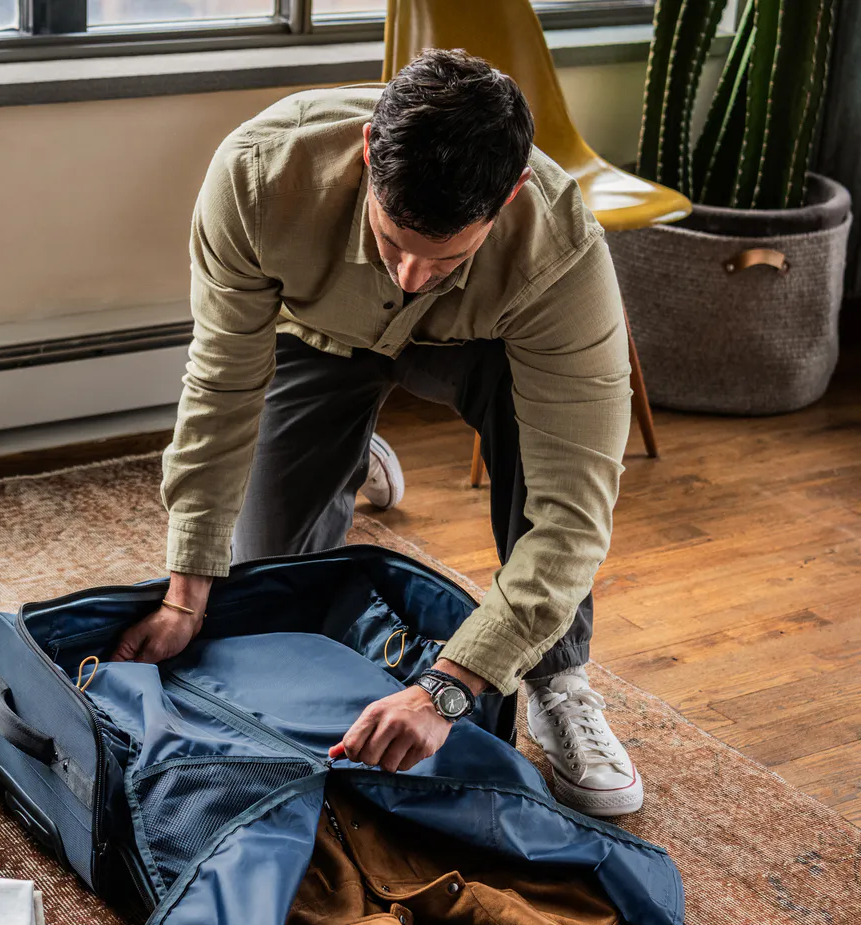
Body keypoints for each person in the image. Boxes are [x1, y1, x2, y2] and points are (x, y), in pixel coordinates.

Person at [112, 49, 642, 817]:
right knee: (272, 591)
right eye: (393, 242)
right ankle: (346, 448)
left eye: (446, 256)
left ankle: (558, 680)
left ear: (513, 194)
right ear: (367, 155)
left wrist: (454, 686)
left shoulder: (559, 255)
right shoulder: (259, 174)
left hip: (483, 350)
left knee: (543, 459)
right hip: (317, 340)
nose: (409, 278)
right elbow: (222, 391)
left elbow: (574, 512)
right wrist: (190, 588)